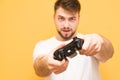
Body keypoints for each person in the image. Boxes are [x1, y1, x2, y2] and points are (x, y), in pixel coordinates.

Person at [33, 0, 114, 80]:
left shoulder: (89, 41)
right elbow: (39, 70)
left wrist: (99, 40)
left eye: (72, 19)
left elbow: (109, 53)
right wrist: (48, 62)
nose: (66, 25)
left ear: (78, 19)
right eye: (61, 18)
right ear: (54, 18)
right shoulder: (42, 45)